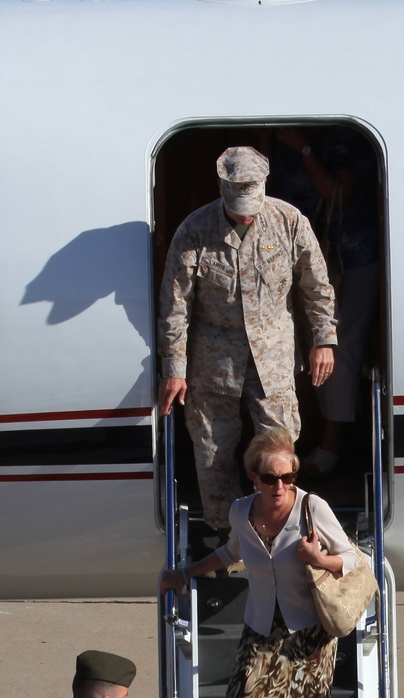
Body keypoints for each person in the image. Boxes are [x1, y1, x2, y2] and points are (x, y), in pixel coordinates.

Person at [159, 429, 357, 698]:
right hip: (260, 628)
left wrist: (319, 559)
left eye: (289, 475)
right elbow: (232, 551)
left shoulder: (312, 508)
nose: (281, 486)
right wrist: (186, 572)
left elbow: (353, 559)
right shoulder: (241, 511)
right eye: (271, 478)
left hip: (308, 634)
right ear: (254, 477)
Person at [157, 146, 337, 535]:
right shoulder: (195, 230)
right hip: (214, 363)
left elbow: (316, 286)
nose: (244, 213)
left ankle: (283, 535)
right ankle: (228, 540)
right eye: (237, 204)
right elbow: (175, 306)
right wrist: (174, 369)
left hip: (272, 359)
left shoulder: (289, 221)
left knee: (279, 455)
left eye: (250, 205)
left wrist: (324, 338)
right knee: (212, 452)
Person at [271, 126, 380, 476]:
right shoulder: (274, 141)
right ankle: (316, 437)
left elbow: (338, 194)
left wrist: (303, 148)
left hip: (350, 258)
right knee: (306, 349)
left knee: (339, 347)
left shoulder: (341, 138)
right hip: (299, 261)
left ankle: (331, 445)